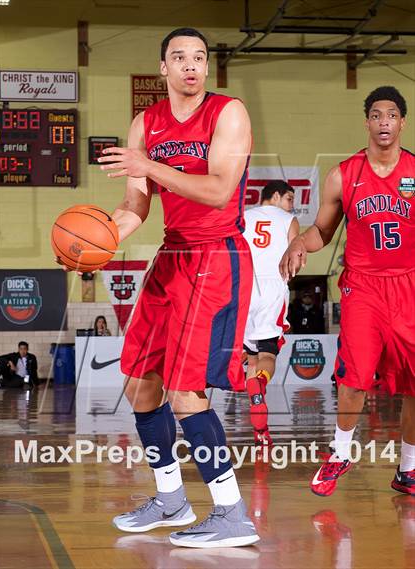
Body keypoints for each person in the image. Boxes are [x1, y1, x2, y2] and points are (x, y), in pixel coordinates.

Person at [97, 28, 259, 547]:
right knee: (141, 384)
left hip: (217, 254)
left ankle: (232, 512)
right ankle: (171, 498)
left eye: (200, 58)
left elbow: (217, 191)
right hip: (173, 254)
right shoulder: (147, 123)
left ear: (206, 68)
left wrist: (150, 165)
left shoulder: (228, 112)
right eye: (180, 58)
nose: (191, 66)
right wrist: (98, 240)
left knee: (187, 394)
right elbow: (136, 205)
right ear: (162, 69)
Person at [280, 85, 415, 497]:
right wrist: (300, 242)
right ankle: (340, 452)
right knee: (354, 376)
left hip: (409, 284)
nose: (384, 122)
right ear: (367, 122)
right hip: (364, 286)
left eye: (391, 115)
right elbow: (322, 230)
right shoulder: (344, 174)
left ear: (402, 122)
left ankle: (408, 469)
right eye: (376, 115)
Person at [242, 180, 299, 447]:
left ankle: (261, 429)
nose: (292, 204)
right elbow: (295, 255)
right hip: (272, 286)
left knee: (251, 358)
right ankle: (260, 383)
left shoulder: (242, 216)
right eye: (289, 198)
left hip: (242, 289)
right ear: (275, 196)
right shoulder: (289, 219)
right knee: (267, 354)